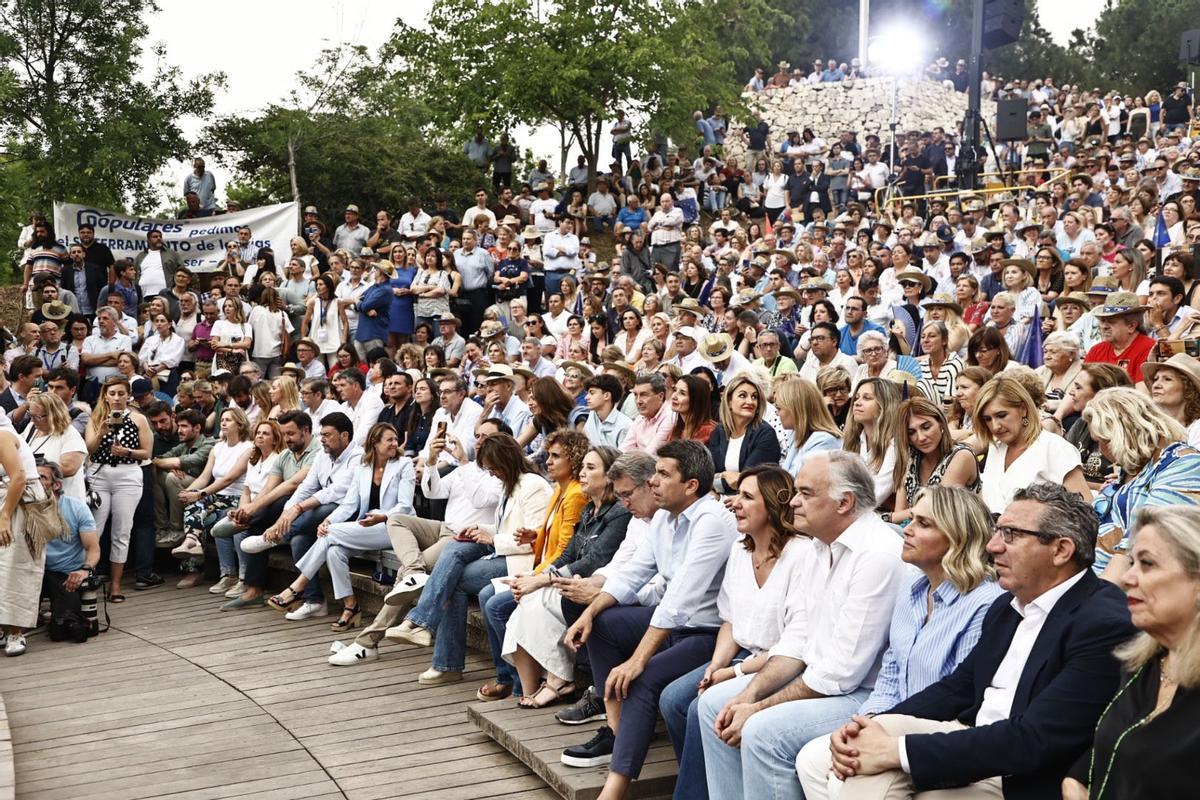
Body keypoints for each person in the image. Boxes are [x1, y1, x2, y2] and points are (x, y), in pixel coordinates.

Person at [816, 483, 1136, 800]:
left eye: (1010, 535)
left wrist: (896, 749)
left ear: (1061, 550)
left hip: (1024, 773)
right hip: (976, 738)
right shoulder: (1007, 606)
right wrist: (872, 725)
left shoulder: (1103, 623)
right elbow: (959, 686)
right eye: (997, 532)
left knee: (869, 776)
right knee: (829, 759)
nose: (993, 546)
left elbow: (1035, 739)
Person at [696, 451, 905, 800]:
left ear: (844, 502)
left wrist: (759, 707)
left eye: (806, 493)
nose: (792, 502)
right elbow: (798, 640)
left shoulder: (877, 555)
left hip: (866, 695)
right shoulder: (819, 547)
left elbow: (841, 674)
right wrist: (745, 696)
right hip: (823, 679)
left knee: (763, 731)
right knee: (716, 705)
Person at [797, 485, 1005, 799]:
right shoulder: (912, 589)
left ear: (957, 538)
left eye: (924, 524)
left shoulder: (984, 603)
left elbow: (961, 697)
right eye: (911, 520)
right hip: (894, 721)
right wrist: (869, 721)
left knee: (845, 778)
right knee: (812, 761)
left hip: (942, 731)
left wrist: (882, 733)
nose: (906, 531)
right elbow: (891, 673)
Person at [558, 440, 737, 800]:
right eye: (654, 472)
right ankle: (618, 732)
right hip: (671, 625)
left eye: (663, 473)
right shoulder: (664, 520)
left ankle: (615, 787)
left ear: (691, 485)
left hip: (707, 633)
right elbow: (632, 575)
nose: (652, 481)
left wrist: (637, 660)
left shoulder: (712, 521)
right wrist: (590, 614)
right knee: (604, 624)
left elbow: (679, 600)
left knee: (645, 677)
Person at [655, 463, 805, 798]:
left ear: (772, 506)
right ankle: (706, 784)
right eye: (736, 494)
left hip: (782, 664)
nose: (733, 502)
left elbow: (796, 644)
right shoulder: (741, 549)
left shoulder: (801, 555)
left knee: (701, 709)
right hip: (744, 653)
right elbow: (730, 620)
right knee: (673, 700)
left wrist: (733, 672)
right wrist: (715, 666)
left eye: (746, 497)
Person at [387, 433, 551, 688]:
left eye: (493, 468)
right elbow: (506, 525)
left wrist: (491, 539)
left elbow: (535, 538)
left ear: (505, 461)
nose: (491, 474)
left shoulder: (534, 485)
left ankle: (428, 635)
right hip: (504, 550)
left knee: (455, 580)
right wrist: (478, 528)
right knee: (455, 546)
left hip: (524, 561)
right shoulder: (511, 484)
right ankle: (422, 629)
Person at [1063, 505, 1200, 800]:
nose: (1127, 579)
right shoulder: (1142, 664)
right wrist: (1074, 783)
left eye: (1147, 564)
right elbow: (1099, 761)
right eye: (1131, 563)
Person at [502, 445, 633, 706]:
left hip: (594, 586)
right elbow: (568, 554)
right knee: (526, 601)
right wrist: (537, 577)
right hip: (570, 581)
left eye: (591, 468)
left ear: (609, 475)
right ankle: (530, 689)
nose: (582, 473)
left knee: (535, 601)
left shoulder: (619, 512)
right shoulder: (588, 510)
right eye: (582, 466)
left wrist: (543, 580)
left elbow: (594, 560)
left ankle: (558, 680)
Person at [476, 430, 589, 701]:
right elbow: (549, 537)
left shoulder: (572, 495)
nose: (547, 461)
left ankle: (519, 681)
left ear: (573, 460)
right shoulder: (560, 490)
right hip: (540, 568)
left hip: (560, 576)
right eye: (548, 455)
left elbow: (566, 550)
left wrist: (534, 577)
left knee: (495, 605)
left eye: (555, 456)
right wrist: (535, 536)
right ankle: (512, 679)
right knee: (484, 594)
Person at [272, 423, 415, 630]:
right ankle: (350, 606)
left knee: (330, 535)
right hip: (366, 526)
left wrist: (380, 517)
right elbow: (349, 505)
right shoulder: (363, 467)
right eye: (389, 440)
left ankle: (298, 586)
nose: (395, 443)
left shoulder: (404, 464)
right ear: (374, 443)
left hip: (395, 525)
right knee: (334, 551)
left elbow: (404, 506)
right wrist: (328, 521)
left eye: (395, 439)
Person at [244, 412, 361, 621]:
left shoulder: (358, 456)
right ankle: (315, 601)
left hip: (349, 512)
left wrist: (299, 509)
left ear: (344, 436)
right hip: (322, 512)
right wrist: (287, 513)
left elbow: (338, 491)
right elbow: (306, 487)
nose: (322, 439)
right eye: (321, 434)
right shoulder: (322, 455)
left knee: (319, 509)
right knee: (300, 540)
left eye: (327, 435)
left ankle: (273, 538)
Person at [1081, 388, 1200, 580]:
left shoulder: (1184, 463)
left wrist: (1096, 603)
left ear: (1128, 431)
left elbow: (1142, 542)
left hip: (1127, 589)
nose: (1102, 450)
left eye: (1105, 440)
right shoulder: (1129, 472)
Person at [975, 376, 1091, 515]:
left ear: (1023, 409)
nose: (995, 426)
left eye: (1001, 415)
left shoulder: (1054, 448)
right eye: (987, 419)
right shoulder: (996, 448)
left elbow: (1085, 511)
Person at [170, 408, 253, 594]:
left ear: (239, 424)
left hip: (237, 497)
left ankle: (192, 546)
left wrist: (199, 495)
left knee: (198, 506)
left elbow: (228, 479)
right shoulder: (218, 447)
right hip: (216, 496)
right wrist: (190, 491)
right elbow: (205, 476)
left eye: (228, 420)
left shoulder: (248, 448)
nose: (223, 423)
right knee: (195, 508)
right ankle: (222, 571)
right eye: (222, 419)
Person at [83, 376, 152, 602]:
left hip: (128, 474)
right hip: (99, 474)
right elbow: (88, 449)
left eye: (121, 393)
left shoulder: (139, 419)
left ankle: (116, 585)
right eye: (112, 393)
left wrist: (127, 453)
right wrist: (102, 432)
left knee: (122, 531)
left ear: (128, 395)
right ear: (105, 395)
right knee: (94, 528)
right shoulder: (96, 418)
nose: (116, 398)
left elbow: (147, 452)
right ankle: (85, 578)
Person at [889, 397, 979, 526]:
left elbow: (935, 509)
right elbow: (899, 512)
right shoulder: (910, 457)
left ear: (941, 423)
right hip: (918, 532)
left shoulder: (961, 455)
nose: (921, 437)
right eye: (911, 432)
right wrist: (894, 518)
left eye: (926, 427)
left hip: (958, 534)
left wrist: (888, 517)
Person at [0, 417, 47, 656]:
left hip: (19, 502)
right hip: (6, 497)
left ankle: (15, 631)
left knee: (13, 566)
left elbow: (18, 478)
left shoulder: (3, 435)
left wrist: (4, 516)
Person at [706, 370, 781, 492]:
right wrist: (723, 476)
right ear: (729, 401)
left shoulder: (765, 434)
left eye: (754, 397)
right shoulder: (719, 432)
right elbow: (706, 475)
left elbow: (745, 481)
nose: (750, 401)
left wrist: (716, 485)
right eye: (742, 395)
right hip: (721, 499)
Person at [842, 377, 904, 509]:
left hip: (875, 515)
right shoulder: (853, 440)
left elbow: (875, 495)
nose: (857, 403)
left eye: (867, 398)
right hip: (849, 510)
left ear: (884, 406)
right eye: (857, 397)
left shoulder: (894, 444)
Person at [23, 392, 87, 501]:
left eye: (37, 417)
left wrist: (28, 471)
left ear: (54, 415)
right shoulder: (31, 428)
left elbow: (69, 468)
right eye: (30, 415)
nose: (32, 420)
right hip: (37, 502)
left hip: (63, 502)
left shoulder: (69, 434)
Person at [1144, 352, 1200, 446]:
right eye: (1155, 379)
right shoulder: (1148, 426)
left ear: (1188, 389)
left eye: (1167, 379)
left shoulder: (1197, 429)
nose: (1156, 385)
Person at [619, 372, 676, 456]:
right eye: (635, 395)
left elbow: (650, 455)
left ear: (660, 396)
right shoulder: (639, 418)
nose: (638, 401)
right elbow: (624, 449)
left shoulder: (670, 417)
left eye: (643, 395)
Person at [668, 374, 717, 444]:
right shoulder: (675, 430)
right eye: (675, 390)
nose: (674, 396)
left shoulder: (711, 432)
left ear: (696, 400)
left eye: (682, 393)